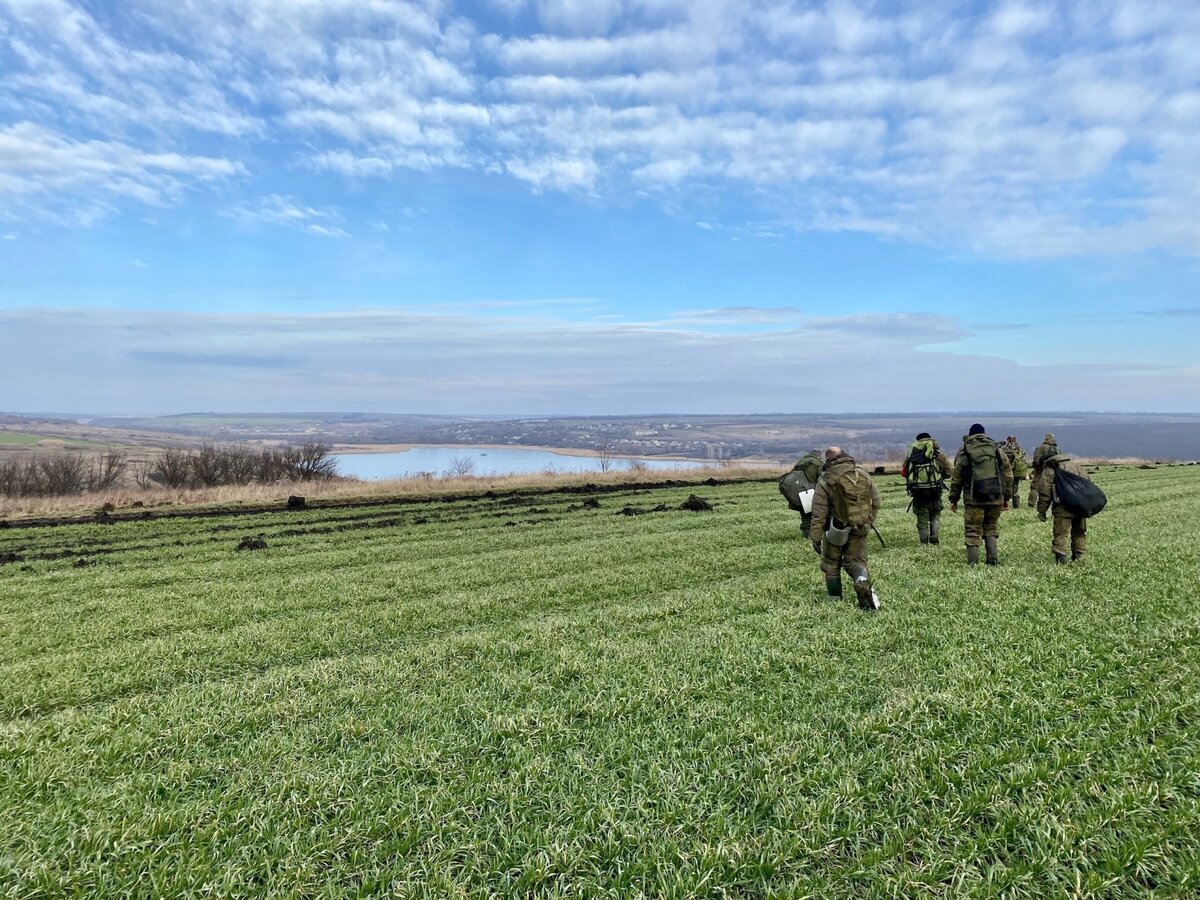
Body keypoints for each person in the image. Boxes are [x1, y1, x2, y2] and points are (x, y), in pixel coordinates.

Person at [808, 446, 882, 610]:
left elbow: (819, 512)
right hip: (860, 525)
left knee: (831, 563)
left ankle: (835, 600)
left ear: (828, 460)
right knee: (856, 561)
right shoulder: (862, 474)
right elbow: (876, 501)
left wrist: (816, 536)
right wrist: (868, 521)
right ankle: (862, 581)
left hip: (835, 529)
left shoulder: (826, 479)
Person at [948, 423, 1013, 566]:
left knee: (972, 530)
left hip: (973, 498)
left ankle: (973, 564)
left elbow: (957, 477)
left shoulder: (965, 451)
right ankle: (992, 560)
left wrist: (954, 499)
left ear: (970, 434)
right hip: (995, 496)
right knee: (991, 527)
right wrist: (1006, 496)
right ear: (984, 433)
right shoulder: (996, 450)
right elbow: (1008, 475)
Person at [1036, 452, 1093, 563]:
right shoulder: (1077, 466)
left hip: (1062, 507)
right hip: (1080, 506)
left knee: (1061, 533)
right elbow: (1088, 485)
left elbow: (1044, 492)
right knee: (1079, 532)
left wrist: (1042, 510)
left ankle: (1061, 558)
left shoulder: (1050, 469)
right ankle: (1079, 556)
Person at [900, 431, 951, 545]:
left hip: (918, 493)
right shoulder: (938, 455)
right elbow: (949, 471)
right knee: (935, 515)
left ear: (917, 441)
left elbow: (903, 473)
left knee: (922, 520)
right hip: (935, 491)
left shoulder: (912, 455)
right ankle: (934, 536)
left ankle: (924, 544)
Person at [778, 450, 822, 543]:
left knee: (805, 515)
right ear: (819, 457)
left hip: (800, 494)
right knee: (816, 515)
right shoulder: (817, 463)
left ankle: (807, 534)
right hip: (811, 493)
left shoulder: (799, 463)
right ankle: (815, 536)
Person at [1028, 432, 1059, 507]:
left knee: (1035, 487)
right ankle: (1053, 502)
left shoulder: (1041, 447)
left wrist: (1036, 467)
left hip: (1041, 470)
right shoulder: (1057, 449)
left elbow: (1036, 460)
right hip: (1054, 471)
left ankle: (1031, 503)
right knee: (1052, 487)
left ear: (1046, 439)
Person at [1001, 435, 1029, 508]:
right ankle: (1016, 506)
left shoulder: (1004, 449)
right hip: (1018, 471)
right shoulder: (1020, 449)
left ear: (1008, 440)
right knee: (1015, 488)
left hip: (1007, 472)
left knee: (1005, 488)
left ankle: (1005, 504)